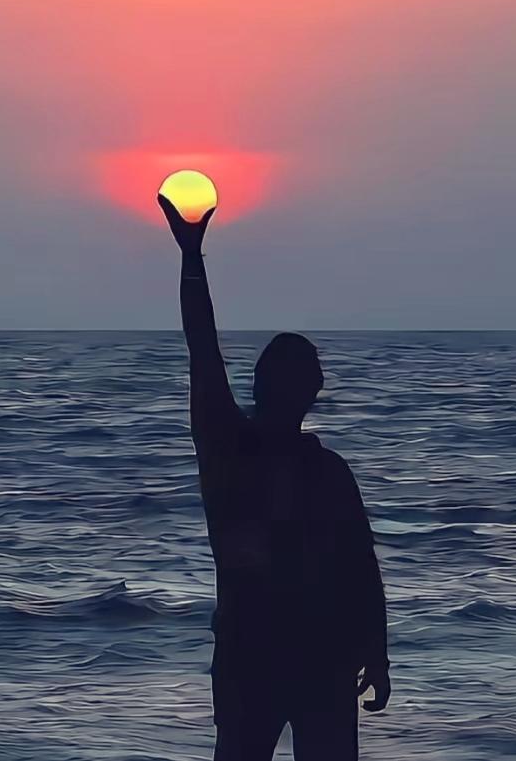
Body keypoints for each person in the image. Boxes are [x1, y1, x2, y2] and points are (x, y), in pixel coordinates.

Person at [159, 194, 390, 761]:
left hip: (318, 657)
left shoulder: (327, 472)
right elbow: (202, 348)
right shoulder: (229, 446)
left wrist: (376, 651)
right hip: (256, 656)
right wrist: (191, 260)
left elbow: (360, 566)